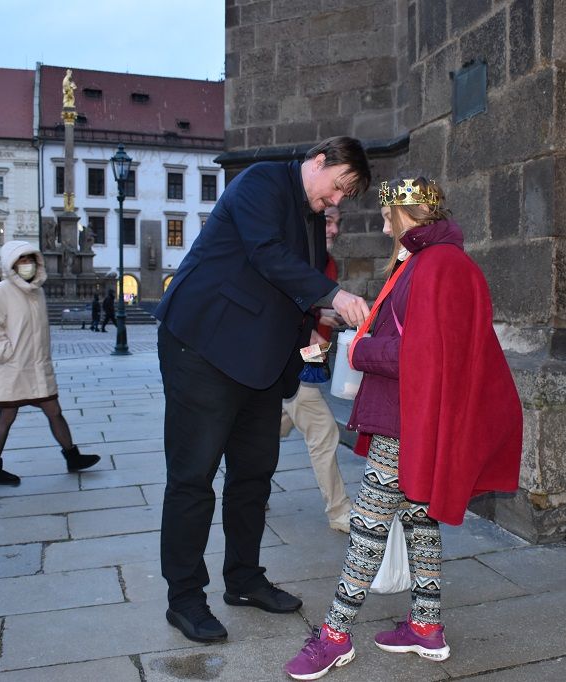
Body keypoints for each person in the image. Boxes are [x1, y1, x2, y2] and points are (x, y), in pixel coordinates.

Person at [284, 177, 522, 680]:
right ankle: (426, 627)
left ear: (404, 213)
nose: (383, 225)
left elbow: (421, 355)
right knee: (418, 518)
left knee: (368, 527)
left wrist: (360, 349)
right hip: (416, 415)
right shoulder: (441, 261)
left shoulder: (432, 265)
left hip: (406, 419)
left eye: (386, 216)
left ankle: (334, 636)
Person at [153, 136, 373, 644]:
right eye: (339, 186)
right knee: (192, 478)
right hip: (204, 347)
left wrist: (322, 315)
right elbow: (266, 254)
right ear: (319, 161)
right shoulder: (262, 182)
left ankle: (244, 579)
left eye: (346, 195)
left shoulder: (311, 213)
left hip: (259, 362)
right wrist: (333, 293)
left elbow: (291, 285)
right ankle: (184, 598)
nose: (337, 199)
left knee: (253, 475)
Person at [0, 240, 101, 485]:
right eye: (21, 260)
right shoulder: (1, 291)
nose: (27, 265)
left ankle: (72, 457)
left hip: (37, 368)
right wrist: (8, 354)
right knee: (6, 417)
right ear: (12, 265)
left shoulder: (37, 292)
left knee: (54, 411)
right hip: (12, 368)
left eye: (30, 260)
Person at [281, 205, 352, 533]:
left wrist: (324, 317)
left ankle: (248, 480)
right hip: (291, 356)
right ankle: (339, 511)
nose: (334, 229)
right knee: (323, 430)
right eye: (329, 221)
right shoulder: (295, 258)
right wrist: (314, 317)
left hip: (310, 355)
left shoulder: (328, 262)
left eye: (338, 222)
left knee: (275, 425)